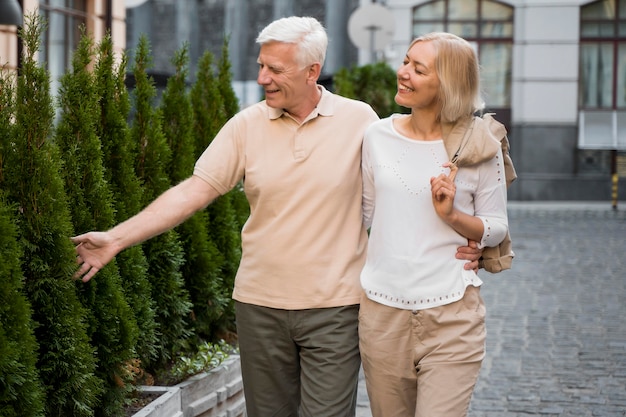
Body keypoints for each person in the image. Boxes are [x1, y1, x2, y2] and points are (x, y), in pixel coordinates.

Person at [72, 18, 482, 417]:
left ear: (312, 71)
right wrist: (116, 238)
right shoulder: (246, 125)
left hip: (335, 308)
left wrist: (468, 239)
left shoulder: (362, 122)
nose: (263, 78)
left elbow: (406, 193)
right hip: (259, 305)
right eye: (261, 66)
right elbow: (194, 191)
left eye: (275, 69)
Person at [358, 32, 510, 417]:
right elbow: (363, 216)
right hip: (382, 315)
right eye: (406, 61)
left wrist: (453, 217)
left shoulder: (480, 144)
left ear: (448, 84)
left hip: (452, 316)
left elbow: (496, 227)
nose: (402, 73)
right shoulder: (377, 136)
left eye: (417, 68)